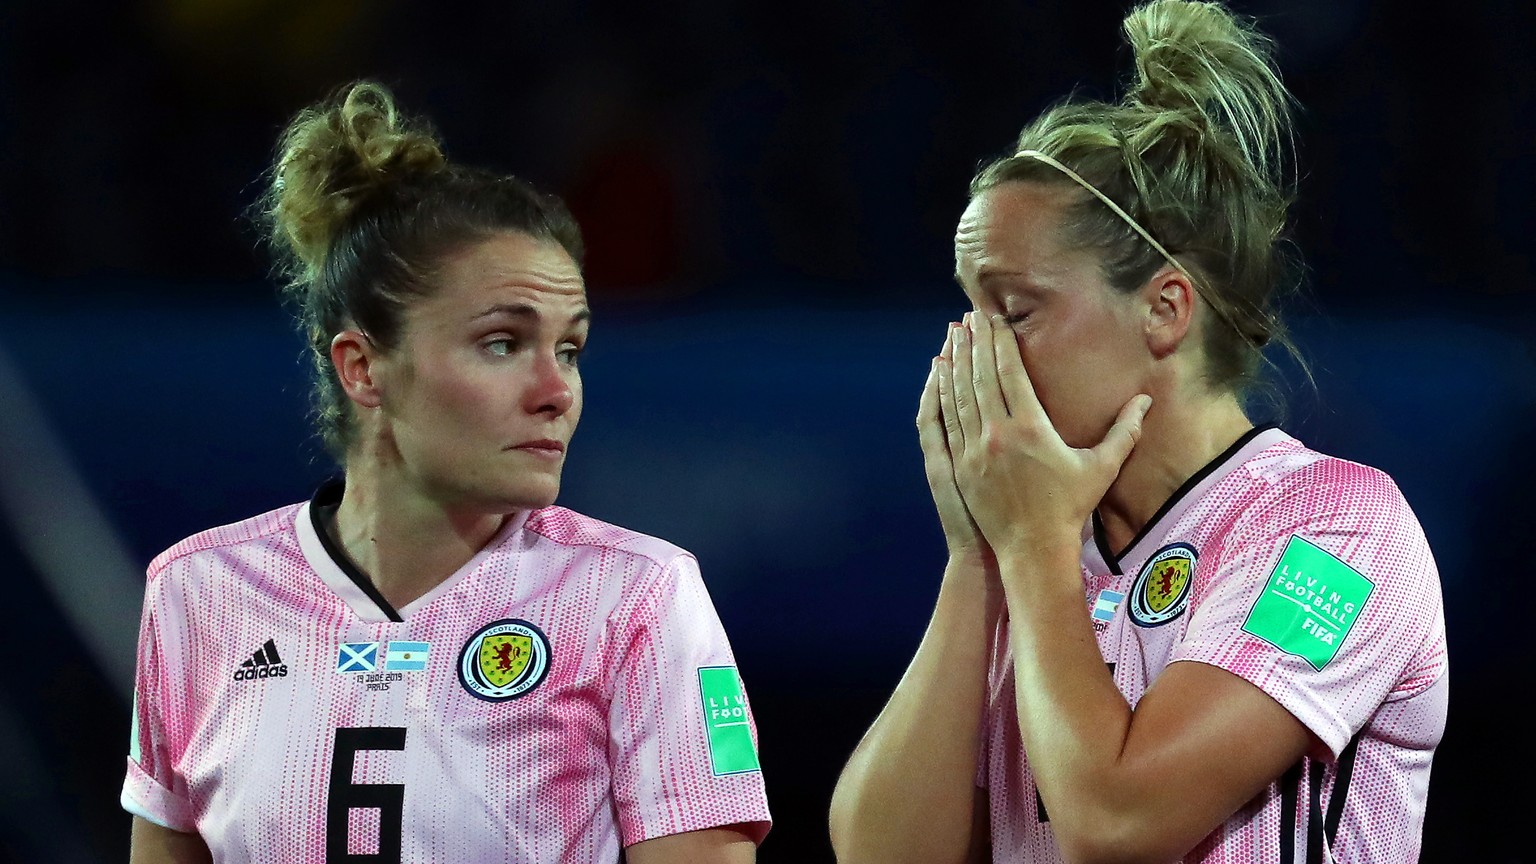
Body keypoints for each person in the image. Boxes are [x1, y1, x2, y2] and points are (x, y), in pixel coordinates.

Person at [828, 2, 1447, 862]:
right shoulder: (1028, 548)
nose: (973, 353)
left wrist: (1035, 544)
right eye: (968, 312)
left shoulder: (1338, 532)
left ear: (1163, 311)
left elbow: (1118, 821)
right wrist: (977, 556)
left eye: (1014, 309)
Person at [121, 81, 770, 864]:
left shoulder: (640, 598)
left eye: (569, 348)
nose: (556, 391)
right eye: (502, 343)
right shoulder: (199, 593)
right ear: (364, 369)